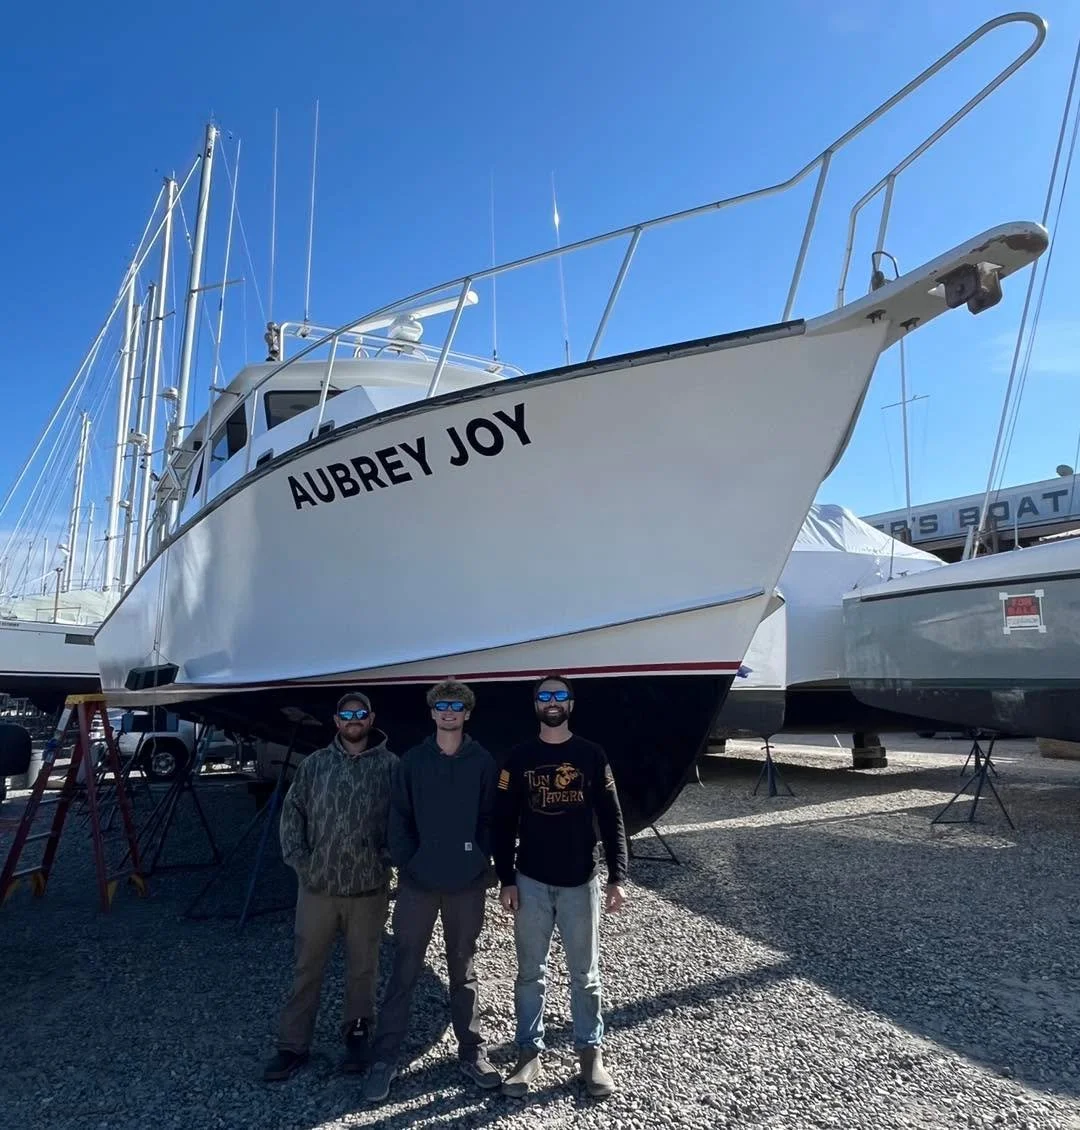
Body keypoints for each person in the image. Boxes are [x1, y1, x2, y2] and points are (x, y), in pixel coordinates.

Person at [362, 680, 501, 1103]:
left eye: (456, 705)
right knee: (404, 968)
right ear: (432, 712)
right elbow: (397, 819)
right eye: (441, 705)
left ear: (467, 713)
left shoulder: (482, 762)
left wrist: (479, 858)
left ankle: (472, 1052)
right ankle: (384, 1058)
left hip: (466, 884)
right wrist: (411, 862)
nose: (448, 711)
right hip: (418, 885)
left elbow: (491, 817)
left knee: (464, 969)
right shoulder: (413, 761)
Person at [494, 674, 629, 1099]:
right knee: (529, 975)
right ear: (535, 704)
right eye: (544, 696)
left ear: (571, 703)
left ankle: (591, 1054)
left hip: (580, 883)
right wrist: (505, 878)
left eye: (559, 696)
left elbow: (612, 818)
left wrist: (618, 876)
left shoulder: (592, 755)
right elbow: (501, 821)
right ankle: (528, 1053)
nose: (552, 702)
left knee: (585, 976)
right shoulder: (517, 758)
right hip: (530, 882)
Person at [262, 692, 397, 1081]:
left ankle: (357, 1035)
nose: (353, 720)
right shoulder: (315, 765)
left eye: (360, 713)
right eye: (346, 714)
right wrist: (302, 864)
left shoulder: (390, 767)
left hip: (368, 889)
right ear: (336, 722)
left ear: (371, 719)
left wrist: (386, 858)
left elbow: (404, 819)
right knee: (307, 967)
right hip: (317, 889)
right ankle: (292, 1046)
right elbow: (293, 814)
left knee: (363, 969)